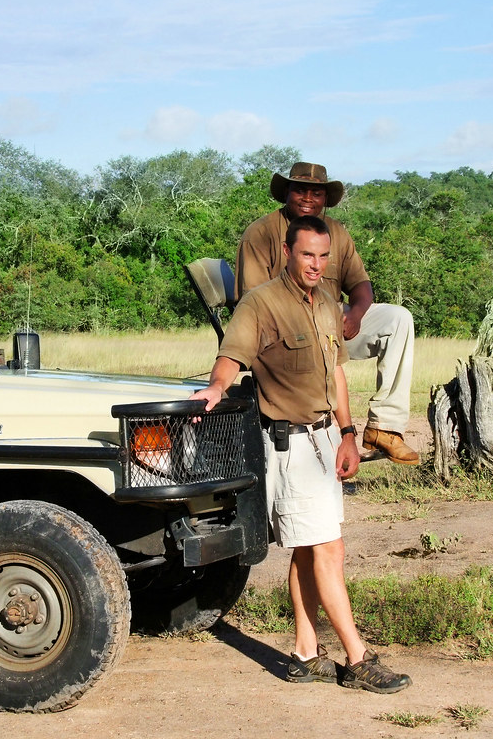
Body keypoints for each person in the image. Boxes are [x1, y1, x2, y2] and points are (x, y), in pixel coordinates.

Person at [193, 215, 411, 694]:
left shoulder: (329, 304)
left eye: (323, 256)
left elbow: (336, 374)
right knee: (327, 549)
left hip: (326, 438)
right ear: (288, 253)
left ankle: (306, 653)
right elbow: (233, 356)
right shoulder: (261, 303)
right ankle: (357, 658)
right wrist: (214, 388)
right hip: (289, 446)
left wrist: (349, 434)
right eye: (307, 254)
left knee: (312, 548)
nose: (315, 264)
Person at [236, 162, 419, 465]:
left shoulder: (335, 231)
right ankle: (320, 434)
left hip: (333, 324)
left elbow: (360, 283)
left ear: (325, 198)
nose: (308, 198)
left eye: (316, 192)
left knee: (398, 319)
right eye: (300, 190)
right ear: (287, 193)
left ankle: (384, 426)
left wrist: (357, 314)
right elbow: (253, 303)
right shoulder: (260, 233)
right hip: (284, 334)